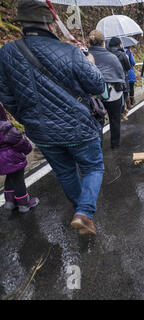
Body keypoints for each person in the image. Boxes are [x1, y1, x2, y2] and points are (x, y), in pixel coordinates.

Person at [0, 0, 105, 235]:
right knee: (93, 167)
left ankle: (81, 213)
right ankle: (84, 213)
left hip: (41, 132)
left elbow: (7, 97)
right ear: (50, 24)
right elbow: (97, 85)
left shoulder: (6, 53)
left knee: (66, 172)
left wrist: (29, 118)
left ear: (23, 24)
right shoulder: (70, 51)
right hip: (78, 127)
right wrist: (90, 63)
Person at [89, 30, 125, 150]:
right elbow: (120, 74)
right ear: (103, 43)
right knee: (115, 119)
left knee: (96, 122)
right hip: (112, 93)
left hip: (93, 96)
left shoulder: (85, 56)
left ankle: (98, 146)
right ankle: (115, 144)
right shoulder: (112, 57)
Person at [0, 104, 38, 213]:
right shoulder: (4, 127)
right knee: (18, 181)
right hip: (13, 158)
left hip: (1, 161)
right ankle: (24, 204)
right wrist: (27, 149)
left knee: (10, 177)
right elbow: (19, 141)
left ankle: (10, 202)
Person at [107, 37, 131, 121]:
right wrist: (127, 58)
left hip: (110, 79)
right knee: (123, 96)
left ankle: (116, 113)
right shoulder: (122, 54)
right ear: (118, 44)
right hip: (122, 79)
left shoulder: (107, 54)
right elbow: (128, 67)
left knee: (113, 97)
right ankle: (121, 113)